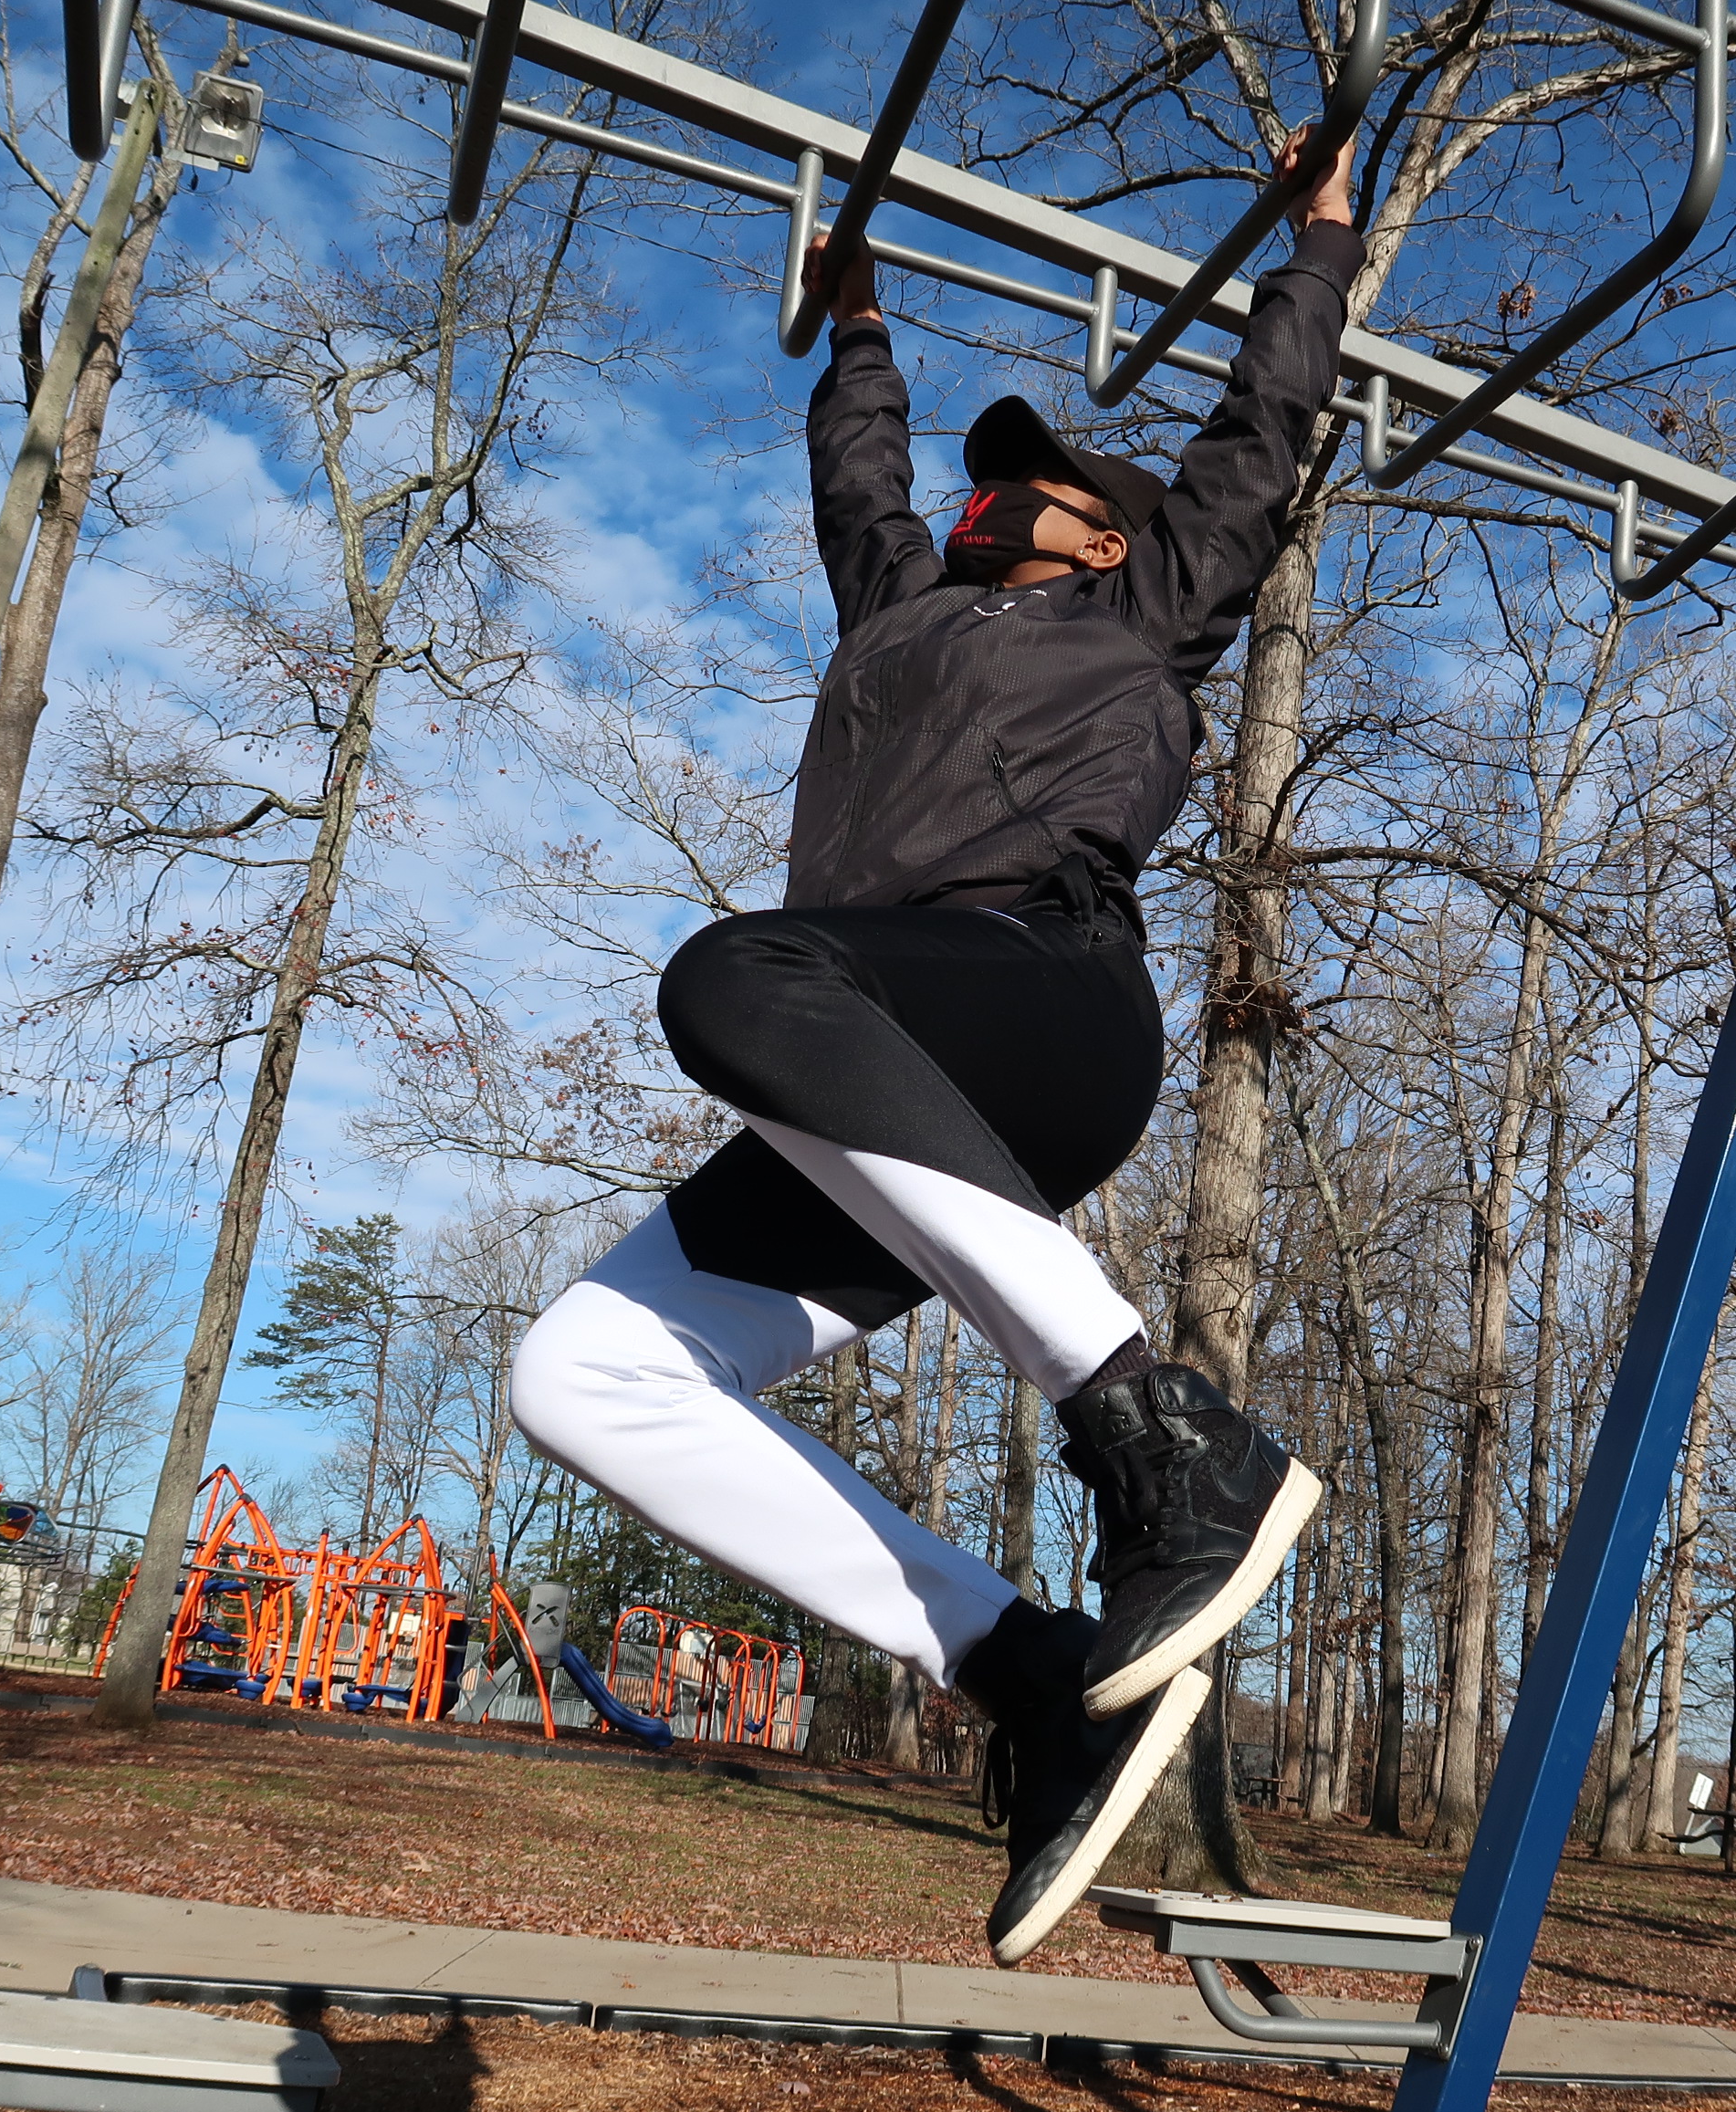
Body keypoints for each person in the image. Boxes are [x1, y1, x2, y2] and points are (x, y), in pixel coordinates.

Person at [512, 132, 1362, 1965]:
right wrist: (861, 322)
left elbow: (1260, 437)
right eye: (983, 496)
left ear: (1106, 533)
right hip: (876, 1073)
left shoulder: (1149, 604)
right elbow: (862, 481)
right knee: (582, 1375)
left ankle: (1166, 1445)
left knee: (733, 981)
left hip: (1038, 1005)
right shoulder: (901, 613)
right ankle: (1035, 1671)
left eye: (1031, 490)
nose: (991, 508)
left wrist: (1323, 232)